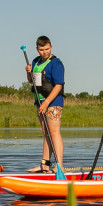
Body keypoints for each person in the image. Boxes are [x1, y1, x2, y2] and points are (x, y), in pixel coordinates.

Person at [25, 35, 64, 173]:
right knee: (46, 133)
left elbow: (58, 86)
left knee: (54, 132)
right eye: (41, 49)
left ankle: (59, 166)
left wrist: (47, 102)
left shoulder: (56, 63)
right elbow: (32, 81)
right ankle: (45, 165)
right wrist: (28, 73)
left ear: (51, 47)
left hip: (53, 102)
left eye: (47, 49)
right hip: (40, 102)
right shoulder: (35, 62)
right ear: (37, 49)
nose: (44, 52)